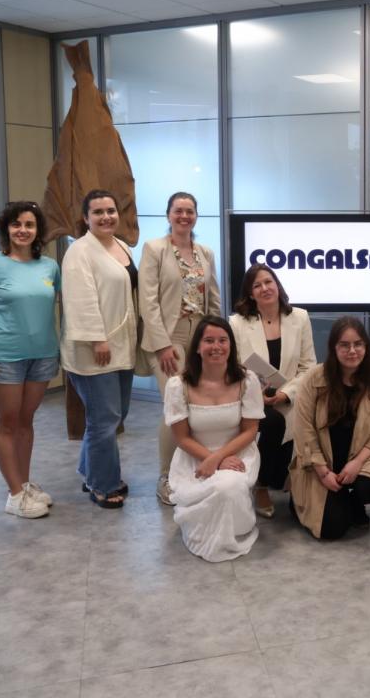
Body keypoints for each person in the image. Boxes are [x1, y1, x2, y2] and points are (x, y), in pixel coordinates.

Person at [0, 201, 61, 520]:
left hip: (43, 354)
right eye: (16, 224)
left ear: (38, 231)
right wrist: (2, 336)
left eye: (29, 225)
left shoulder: (49, 266)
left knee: (26, 421)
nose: (23, 230)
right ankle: (15, 494)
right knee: (7, 423)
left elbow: (49, 304)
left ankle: (24, 483)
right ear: (6, 229)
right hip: (2, 356)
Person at [138, 191, 221, 507]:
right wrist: (161, 344)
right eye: (178, 211)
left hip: (200, 335)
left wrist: (216, 338)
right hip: (168, 337)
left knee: (197, 404)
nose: (184, 216)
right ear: (168, 214)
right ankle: (165, 477)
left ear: (196, 215)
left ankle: (190, 468)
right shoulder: (155, 249)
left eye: (190, 211)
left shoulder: (205, 252)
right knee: (174, 404)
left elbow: (213, 298)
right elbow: (148, 300)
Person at [61, 189, 139, 509]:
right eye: (98, 212)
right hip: (95, 350)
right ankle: (103, 484)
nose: (106, 216)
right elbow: (80, 299)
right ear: (86, 218)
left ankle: (90, 470)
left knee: (114, 415)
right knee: (104, 419)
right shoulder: (79, 251)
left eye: (111, 210)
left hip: (122, 346)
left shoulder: (121, 246)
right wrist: (97, 339)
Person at [164, 316, 263, 562]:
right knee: (220, 489)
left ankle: (235, 528)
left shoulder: (247, 380)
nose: (216, 346)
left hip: (238, 454)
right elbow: (182, 438)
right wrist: (211, 459)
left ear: (231, 345)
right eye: (209, 340)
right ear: (197, 347)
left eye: (222, 340)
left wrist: (218, 458)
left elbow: (250, 430)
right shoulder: (178, 385)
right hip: (195, 457)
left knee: (227, 485)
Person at [288, 316, 370, 540]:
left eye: (358, 344)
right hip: (319, 464)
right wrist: (323, 472)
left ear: (366, 346)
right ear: (333, 348)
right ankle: (312, 498)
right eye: (344, 345)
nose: (352, 350)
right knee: (330, 530)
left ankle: (351, 498)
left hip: (360, 459)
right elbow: (304, 431)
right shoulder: (313, 379)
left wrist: (357, 463)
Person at [230, 264, 316, 519]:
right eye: (257, 285)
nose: (265, 288)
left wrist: (286, 394)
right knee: (273, 422)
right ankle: (261, 485)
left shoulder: (300, 317)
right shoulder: (237, 323)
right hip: (251, 397)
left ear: (277, 285)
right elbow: (233, 367)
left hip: (290, 396)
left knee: (291, 420)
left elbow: (308, 366)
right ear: (250, 294)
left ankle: (282, 477)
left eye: (268, 282)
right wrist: (255, 392)